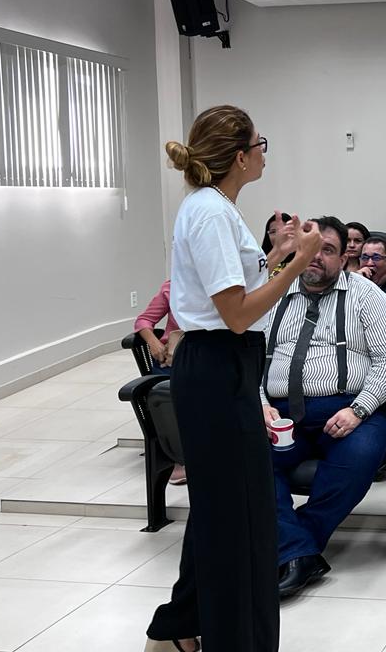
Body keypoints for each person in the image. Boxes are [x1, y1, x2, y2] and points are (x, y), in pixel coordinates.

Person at [145, 105, 323, 652]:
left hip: (227, 364)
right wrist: (300, 264)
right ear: (241, 157)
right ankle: (223, 636)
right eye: (260, 143)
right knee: (231, 518)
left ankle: (176, 629)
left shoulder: (216, 207)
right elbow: (237, 313)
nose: (266, 152)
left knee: (224, 511)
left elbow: (234, 291)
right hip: (217, 364)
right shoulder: (209, 213)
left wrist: (277, 254)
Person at [262, 217, 386, 597]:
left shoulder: (366, 295)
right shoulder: (273, 294)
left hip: (351, 409)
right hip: (280, 413)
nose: (317, 257)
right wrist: (260, 404)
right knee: (247, 459)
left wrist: (359, 409)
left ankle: (291, 547)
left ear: (344, 258)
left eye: (328, 250)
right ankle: (299, 552)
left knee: (358, 457)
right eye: (311, 248)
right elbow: (249, 359)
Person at [134, 279, 186, 485]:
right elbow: (143, 321)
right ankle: (179, 456)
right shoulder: (172, 286)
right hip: (172, 361)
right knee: (167, 394)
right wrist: (154, 343)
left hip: (204, 357)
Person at [261, 211, 295, 277]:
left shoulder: (302, 263)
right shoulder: (259, 263)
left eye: (284, 230)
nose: (279, 235)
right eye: (273, 231)